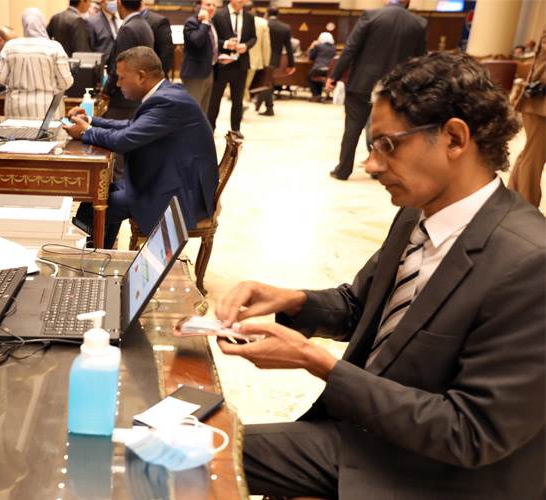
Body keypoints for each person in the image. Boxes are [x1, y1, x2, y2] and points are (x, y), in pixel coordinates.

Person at [213, 53, 543, 499]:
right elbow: (361, 306)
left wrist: (316, 362)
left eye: (387, 145)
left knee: (204, 455)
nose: (370, 165)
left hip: (439, 475)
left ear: (454, 138)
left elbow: (471, 433)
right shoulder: (416, 213)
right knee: (194, 446)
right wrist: (291, 299)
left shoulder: (529, 264)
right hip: (373, 433)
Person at [64, 47, 218, 249]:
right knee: (98, 195)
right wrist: (91, 121)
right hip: (168, 178)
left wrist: (86, 132)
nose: (117, 84)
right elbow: (131, 126)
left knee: (94, 207)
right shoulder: (166, 93)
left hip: (179, 195)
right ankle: (101, 253)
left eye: (121, 78)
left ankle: (90, 257)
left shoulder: (167, 102)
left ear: (141, 76)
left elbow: (124, 140)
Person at [326, 0, 427, 180]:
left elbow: (351, 48)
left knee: (352, 128)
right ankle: (378, 168)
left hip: (362, 83)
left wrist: (334, 76)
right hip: (395, 87)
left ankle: (343, 170)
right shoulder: (419, 23)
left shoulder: (371, 16)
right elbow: (419, 60)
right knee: (386, 129)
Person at [0, 8, 74, 119]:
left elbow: (1, 78)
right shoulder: (54, 47)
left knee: (17, 130)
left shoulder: (10, 46)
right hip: (47, 106)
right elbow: (66, 81)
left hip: (16, 106)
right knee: (47, 131)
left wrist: (17, 83)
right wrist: (51, 85)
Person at [207, 0, 257, 136]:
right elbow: (212, 38)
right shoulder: (218, 14)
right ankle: (210, 129)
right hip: (222, 63)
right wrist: (226, 44)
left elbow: (253, 38)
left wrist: (246, 46)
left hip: (241, 64)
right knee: (215, 100)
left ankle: (235, 130)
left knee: (238, 100)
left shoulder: (249, 16)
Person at [508, 28, 545, 207]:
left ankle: (513, 196)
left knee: (531, 153)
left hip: (538, 105)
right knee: (534, 157)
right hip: (540, 106)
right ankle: (527, 206)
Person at [103, 0, 154, 120]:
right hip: (137, 94)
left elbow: (120, 66)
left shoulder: (128, 28)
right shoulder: (143, 24)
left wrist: (107, 90)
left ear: (119, 3)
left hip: (123, 100)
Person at [254, 7, 295, 116]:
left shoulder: (263, 24)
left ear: (267, 13)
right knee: (267, 81)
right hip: (275, 59)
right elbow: (289, 48)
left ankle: (268, 107)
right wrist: (291, 64)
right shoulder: (285, 27)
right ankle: (263, 105)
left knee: (266, 82)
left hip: (261, 57)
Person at [182, 0, 219, 114]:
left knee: (203, 112)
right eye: (208, 5)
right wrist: (205, 23)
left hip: (209, 71)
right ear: (199, 6)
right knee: (191, 112)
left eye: (214, 5)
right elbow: (197, 41)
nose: (212, 8)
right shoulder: (192, 22)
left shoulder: (211, 23)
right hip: (195, 74)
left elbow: (211, 44)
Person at [244, 1, 271, 112]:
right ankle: (243, 102)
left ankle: (242, 102)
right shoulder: (262, 23)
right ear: (253, 9)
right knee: (245, 84)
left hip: (234, 58)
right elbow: (266, 44)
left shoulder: (234, 20)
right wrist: (266, 62)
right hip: (254, 59)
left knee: (239, 84)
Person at [140, 5, 175, 79]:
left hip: (153, 78)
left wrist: (158, 77)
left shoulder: (159, 21)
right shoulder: (122, 19)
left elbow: (166, 53)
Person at [307, 31, 336, 101]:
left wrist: (312, 46)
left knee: (309, 76)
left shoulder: (318, 46)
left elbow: (311, 57)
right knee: (318, 77)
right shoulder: (333, 48)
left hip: (319, 68)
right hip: (329, 70)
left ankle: (316, 95)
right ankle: (321, 95)